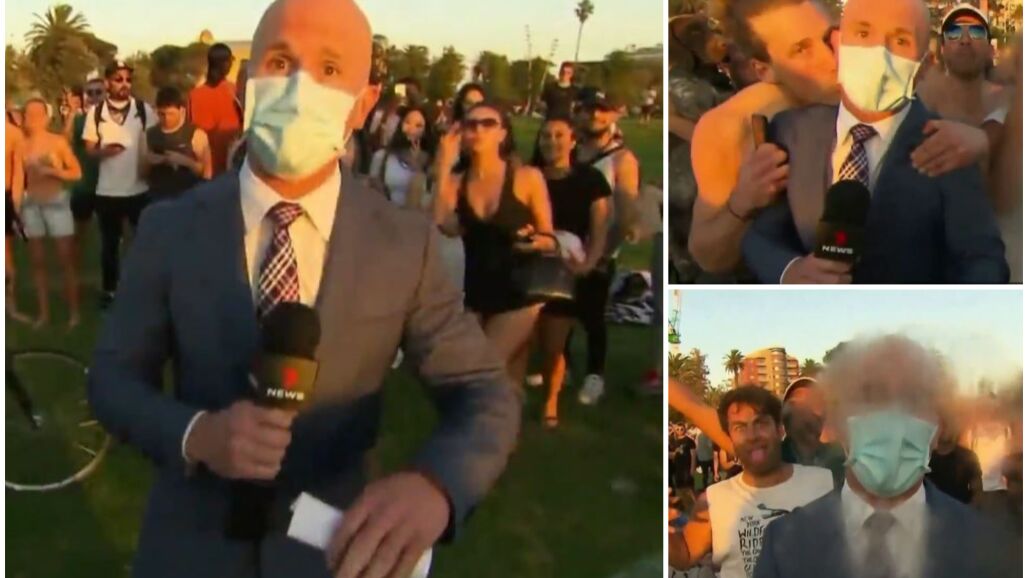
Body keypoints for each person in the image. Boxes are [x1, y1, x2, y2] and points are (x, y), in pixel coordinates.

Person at [86, 1, 520, 577]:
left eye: (330, 69)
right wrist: (198, 435)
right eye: (280, 61)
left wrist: (437, 485)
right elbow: (112, 379)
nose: (299, 87)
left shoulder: (402, 242)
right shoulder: (169, 228)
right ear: (248, 83)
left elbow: (484, 390)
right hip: (189, 548)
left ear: (362, 104)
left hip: (335, 550)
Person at [687, 0, 991, 278]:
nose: (831, 57)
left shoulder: (893, 83)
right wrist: (744, 205)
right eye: (801, 50)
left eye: (828, 37)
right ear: (764, 71)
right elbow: (709, 256)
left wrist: (981, 140)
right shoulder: (741, 127)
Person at [755, 335, 1021, 578]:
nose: (893, 415)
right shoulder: (783, 544)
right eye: (872, 396)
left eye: (913, 398)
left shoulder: (991, 546)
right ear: (836, 421)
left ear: (939, 427)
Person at [433, 102, 554, 384]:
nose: (478, 130)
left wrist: (536, 242)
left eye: (488, 124)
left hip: (520, 291)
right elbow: (444, 225)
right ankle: (508, 413)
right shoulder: (456, 182)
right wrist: (443, 166)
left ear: (502, 133)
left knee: (483, 371)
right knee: (502, 380)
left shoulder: (526, 177)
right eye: (471, 124)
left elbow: (549, 237)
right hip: (477, 291)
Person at [669, 386, 834, 577]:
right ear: (730, 437)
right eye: (740, 428)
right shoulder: (714, 499)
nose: (752, 436)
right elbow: (686, 554)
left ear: (779, 429)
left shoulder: (825, 483)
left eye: (761, 423)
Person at [529, 115, 612, 427]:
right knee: (524, 340)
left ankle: (551, 402)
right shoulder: (530, 176)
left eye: (559, 135)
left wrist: (588, 263)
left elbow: (600, 226)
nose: (551, 141)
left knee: (554, 344)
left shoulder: (590, 179)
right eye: (546, 135)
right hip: (529, 263)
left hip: (566, 269)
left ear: (573, 140)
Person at [572, 88, 641, 405]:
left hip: (598, 252)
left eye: (602, 109)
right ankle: (560, 366)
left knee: (592, 317)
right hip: (565, 247)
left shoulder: (622, 160)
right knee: (559, 312)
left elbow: (625, 215)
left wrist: (602, 254)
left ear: (614, 114)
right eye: (589, 109)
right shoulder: (570, 150)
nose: (595, 115)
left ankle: (594, 376)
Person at [83, 60, 157, 308]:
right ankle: (110, 291)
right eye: (118, 79)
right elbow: (89, 150)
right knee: (109, 246)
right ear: (107, 83)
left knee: (144, 243)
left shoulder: (144, 110)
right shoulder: (96, 113)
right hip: (108, 191)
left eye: (128, 79)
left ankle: (144, 288)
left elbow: (154, 142)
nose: (124, 84)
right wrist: (105, 152)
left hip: (139, 189)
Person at [667, 14, 733, 282]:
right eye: (696, 33)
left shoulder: (716, 77)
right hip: (691, 184)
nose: (716, 39)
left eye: (711, 29)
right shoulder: (683, 84)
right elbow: (709, 134)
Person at [11, 97, 83, 328]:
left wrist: (53, 171)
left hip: (56, 204)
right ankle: (44, 314)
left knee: (65, 260)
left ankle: (74, 313)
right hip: (32, 206)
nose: (32, 119)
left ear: (45, 118)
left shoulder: (57, 142)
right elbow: (18, 178)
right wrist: (16, 209)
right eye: (28, 114)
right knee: (37, 262)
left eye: (37, 115)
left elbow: (76, 172)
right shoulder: (21, 145)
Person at [144, 87, 212, 203]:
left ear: (181, 111)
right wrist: (152, 161)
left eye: (171, 114)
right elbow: (142, 173)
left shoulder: (196, 134)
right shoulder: (150, 134)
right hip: (158, 199)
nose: (166, 118)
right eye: (162, 114)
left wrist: (184, 161)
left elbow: (206, 172)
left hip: (187, 198)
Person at [780, 377, 846, 488]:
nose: (806, 413)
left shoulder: (838, 458)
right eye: (798, 406)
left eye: (813, 404)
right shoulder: (773, 459)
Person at [188, 43, 242, 175]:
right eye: (230, 60)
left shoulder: (194, 95)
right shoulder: (234, 90)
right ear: (224, 63)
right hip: (229, 165)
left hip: (204, 168)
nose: (231, 64)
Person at [68, 77, 105, 269]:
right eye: (90, 93)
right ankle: (72, 275)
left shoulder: (115, 120)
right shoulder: (80, 120)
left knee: (115, 235)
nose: (94, 96)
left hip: (110, 186)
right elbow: (64, 141)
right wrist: (72, 112)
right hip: (85, 185)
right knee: (79, 234)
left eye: (99, 92)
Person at [368, 106, 435, 210]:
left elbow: (428, 201)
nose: (411, 129)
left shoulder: (430, 164)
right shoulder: (382, 157)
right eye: (407, 122)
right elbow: (371, 189)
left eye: (418, 125)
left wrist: (417, 167)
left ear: (425, 132)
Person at [6, 107, 31, 323]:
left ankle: (10, 306)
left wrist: (15, 205)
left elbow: (18, 172)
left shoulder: (13, 133)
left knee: (5, 254)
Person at [927, 413, 983, 504]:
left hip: (959, 510)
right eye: (942, 426)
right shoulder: (925, 457)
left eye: (948, 426)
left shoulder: (968, 457)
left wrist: (967, 510)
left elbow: (977, 491)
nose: (945, 430)